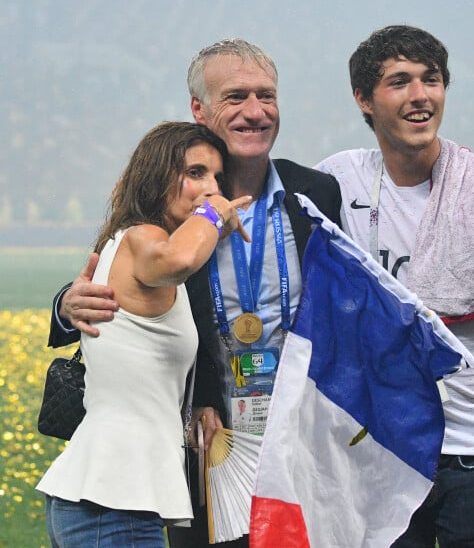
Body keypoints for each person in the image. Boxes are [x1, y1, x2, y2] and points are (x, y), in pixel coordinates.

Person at [48, 39, 343, 548]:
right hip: (207, 443)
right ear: (199, 109)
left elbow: (342, 303)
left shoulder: (315, 193)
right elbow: (121, 272)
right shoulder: (169, 221)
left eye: (266, 95)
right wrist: (65, 306)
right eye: (235, 97)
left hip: (299, 439)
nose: (255, 111)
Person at [315, 24, 474, 547]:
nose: (420, 96)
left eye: (431, 80)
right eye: (399, 82)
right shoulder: (336, 182)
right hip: (376, 453)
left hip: (473, 450)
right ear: (364, 99)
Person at [37, 122, 251, 548]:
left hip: (108, 499)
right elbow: (180, 258)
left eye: (217, 179)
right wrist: (214, 213)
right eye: (195, 173)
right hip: (115, 501)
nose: (211, 188)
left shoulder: (128, 240)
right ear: (156, 176)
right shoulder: (144, 237)